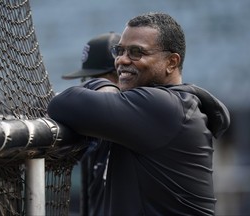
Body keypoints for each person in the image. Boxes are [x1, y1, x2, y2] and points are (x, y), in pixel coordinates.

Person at [48, 12, 230, 215]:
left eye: (136, 52)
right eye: (120, 51)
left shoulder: (163, 106)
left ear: (171, 62)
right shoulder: (162, 106)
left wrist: (104, 87)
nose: (122, 60)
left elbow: (62, 104)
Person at [61, 32, 121, 216]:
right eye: (87, 80)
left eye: (96, 79)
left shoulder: (140, 122)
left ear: (122, 76)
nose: (89, 86)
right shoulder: (93, 129)